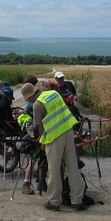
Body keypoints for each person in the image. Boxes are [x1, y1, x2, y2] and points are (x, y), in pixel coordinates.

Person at [21, 83, 86, 212]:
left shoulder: (37, 105)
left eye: (28, 98)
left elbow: (39, 127)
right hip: (68, 131)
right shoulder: (54, 94)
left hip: (54, 137)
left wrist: (42, 143)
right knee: (72, 166)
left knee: (54, 170)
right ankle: (77, 200)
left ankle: (54, 201)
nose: (28, 101)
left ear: (31, 95)